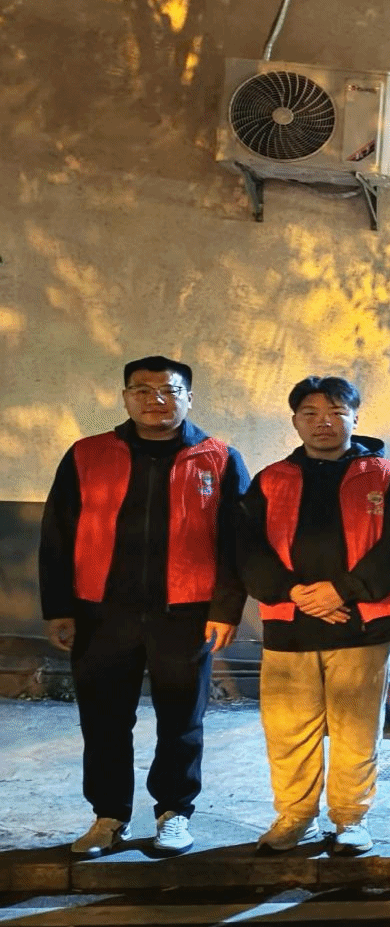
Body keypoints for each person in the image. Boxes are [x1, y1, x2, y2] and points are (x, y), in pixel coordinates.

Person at [39, 355, 248, 858]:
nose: (156, 400)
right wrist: (58, 607)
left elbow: (237, 543)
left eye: (169, 390)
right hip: (101, 612)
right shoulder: (88, 454)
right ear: (125, 397)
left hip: (186, 614)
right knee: (104, 720)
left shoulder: (218, 458)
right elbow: (57, 533)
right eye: (142, 390)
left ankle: (174, 813)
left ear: (189, 398)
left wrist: (225, 609)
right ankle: (109, 817)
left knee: (182, 720)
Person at [239, 376, 390, 856]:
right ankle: (295, 817)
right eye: (311, 413)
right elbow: (247, 546)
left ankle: (350, 818)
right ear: (295, 421)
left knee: (357, 728)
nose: (324, 423)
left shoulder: (386, 475)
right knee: (289, 729)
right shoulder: (271, 479)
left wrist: (342, 591)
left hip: (362, 624)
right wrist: (294, 592)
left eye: (336, 412)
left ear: (355, 418)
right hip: (289, 622)